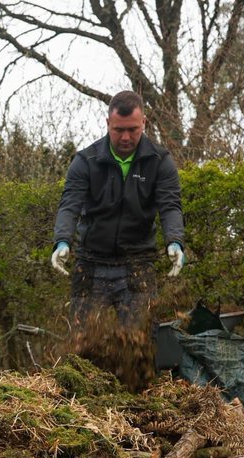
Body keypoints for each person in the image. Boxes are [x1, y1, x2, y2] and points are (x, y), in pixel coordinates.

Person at [51, 90, 186, 326]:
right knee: (82, 344)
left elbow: (170, 205)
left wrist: (175, 241)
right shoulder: (86, 161)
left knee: (141, 343)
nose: (125, 137)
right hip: (91, 263)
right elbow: (70, 204)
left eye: (132, 129)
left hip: (138, 264)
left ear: (143, 122)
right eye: (118, 130)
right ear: (107, 124)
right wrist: (62, 241)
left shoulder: (160, 161)